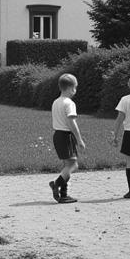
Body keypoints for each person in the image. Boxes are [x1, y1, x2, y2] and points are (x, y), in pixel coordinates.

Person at [48, 73, 86, 203]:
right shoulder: (69, 103)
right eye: (75, 88)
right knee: (73, 165)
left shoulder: (55, 102)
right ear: (70, 88)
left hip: (57, 134)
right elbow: (71, 122)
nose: (75, 91)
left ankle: (63, 195)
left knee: (66, 165)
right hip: (66, 135)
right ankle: (56, 183)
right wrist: (79, 139)